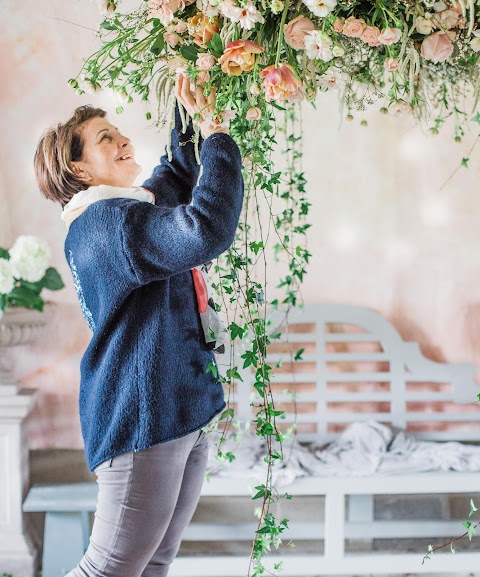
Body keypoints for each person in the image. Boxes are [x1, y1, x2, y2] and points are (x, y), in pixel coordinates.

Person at [33, 74, 245, 576]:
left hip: (172, 413)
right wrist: (217, 134)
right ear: (77, 167)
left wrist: (189, 97)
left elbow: (173, 174)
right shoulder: (108, 226)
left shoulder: (123, 213)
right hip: (141, 418)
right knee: (108, 568)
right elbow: (204, 229)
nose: (124, 140)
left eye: (118, 131)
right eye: (106, 139)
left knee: (152, 564)